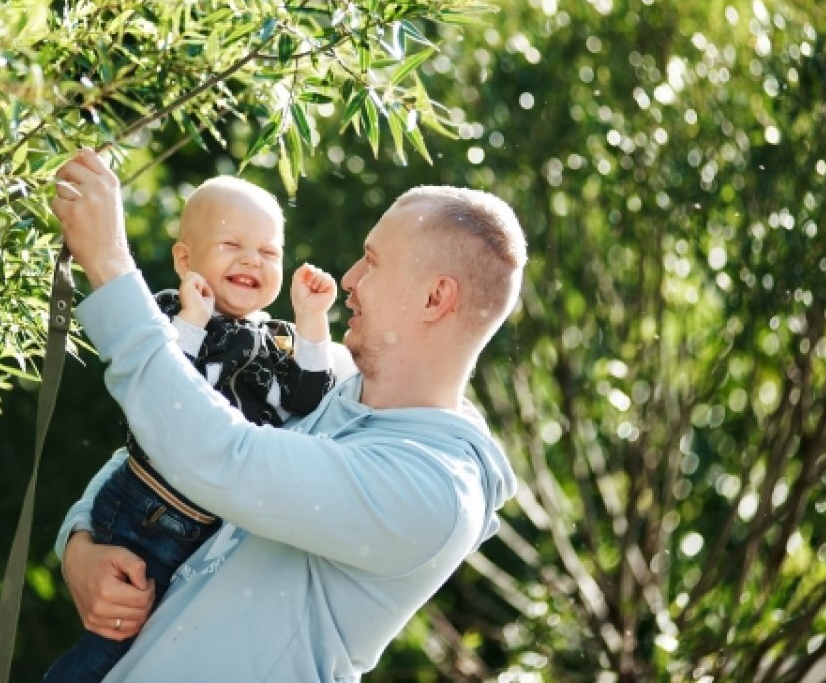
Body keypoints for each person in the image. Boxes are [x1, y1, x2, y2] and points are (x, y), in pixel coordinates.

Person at [47, 149, 526, 683]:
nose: (349, 278)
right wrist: (80, 545)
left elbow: (221, 457)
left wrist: (110, 264)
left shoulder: (431, 492)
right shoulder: (326, 379)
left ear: (435, 297)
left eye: (372, 262)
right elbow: (158, 439)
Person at [43, 175, 338, 683]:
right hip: (147, 511)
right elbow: (160, 394)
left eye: (268, 252)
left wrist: (313, 323)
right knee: (111, 645)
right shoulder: (172, 315)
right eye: (232, 245)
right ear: (184, 260)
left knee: (155, 649)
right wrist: (192, 321)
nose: (252, 260)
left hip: (207, 530)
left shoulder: (278, 342)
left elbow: (307, 399)